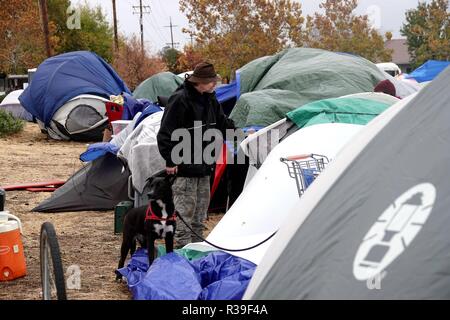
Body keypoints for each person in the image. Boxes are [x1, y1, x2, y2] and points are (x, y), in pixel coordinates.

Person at [157, 62, 235, 248]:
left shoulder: (210, 99)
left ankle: (196, 250)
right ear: (200, 82)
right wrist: (171, 160)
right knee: (185, 215)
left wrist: (240, 134)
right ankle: (182, 253)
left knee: (200, 216)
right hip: (184, 168)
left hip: (205, 165)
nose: (214, 85)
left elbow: (222, 123)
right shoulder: (179, 99)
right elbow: (165, 133)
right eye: (211, 82)